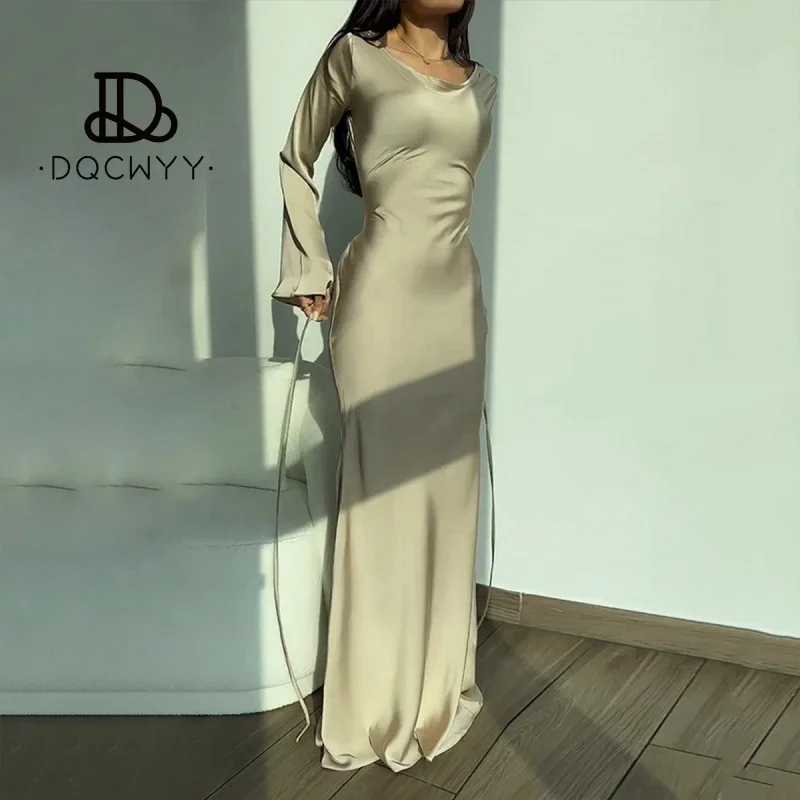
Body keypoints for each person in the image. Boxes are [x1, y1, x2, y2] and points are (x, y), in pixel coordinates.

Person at [271, 0, 498, 774]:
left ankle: (433, 688)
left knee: (446, 495)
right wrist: (308, 267)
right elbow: (294, 155)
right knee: (380, 494)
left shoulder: (481, 84)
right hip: (381, 302)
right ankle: (371, 700)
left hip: (455, 306)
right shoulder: (355, 60)